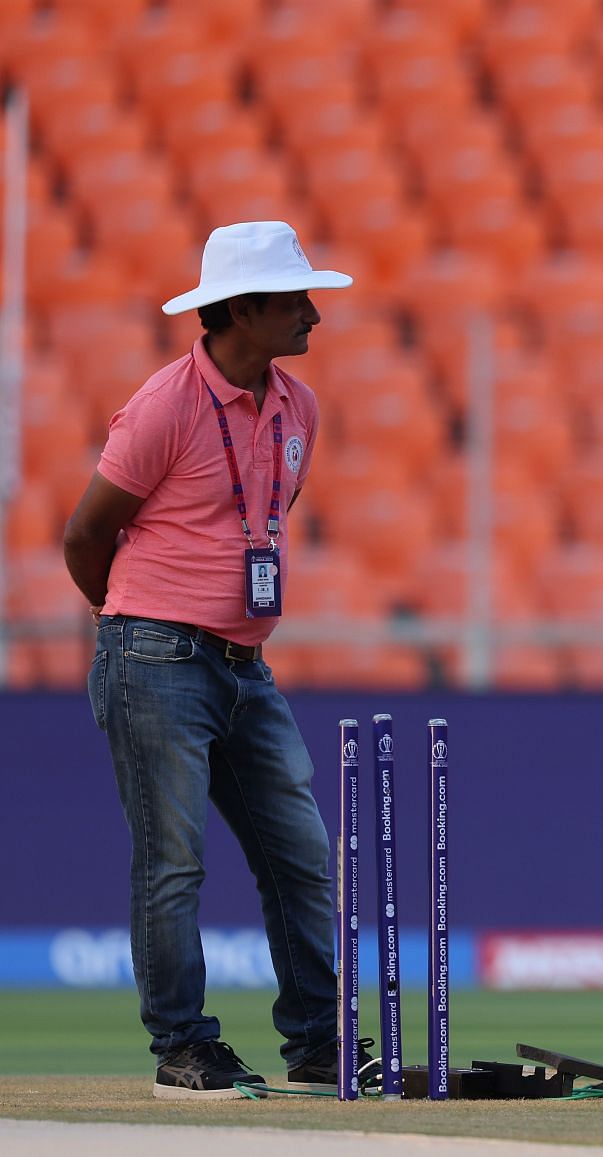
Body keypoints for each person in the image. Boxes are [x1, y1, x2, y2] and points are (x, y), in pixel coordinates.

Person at [61, 221, 370, 1099]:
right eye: (294, 300)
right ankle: (183, 1047)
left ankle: (318, 1044)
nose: (313, 314)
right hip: (156, 655)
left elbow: (260, 521)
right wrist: (128, 622)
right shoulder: (164, 404)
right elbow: (86, 535)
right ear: (240, 309)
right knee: (174, 860)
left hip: (242, 664)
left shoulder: (296, 405)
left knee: (302, 852)